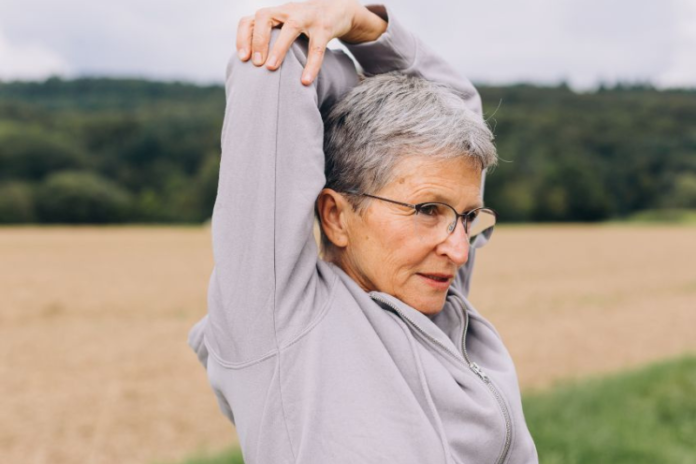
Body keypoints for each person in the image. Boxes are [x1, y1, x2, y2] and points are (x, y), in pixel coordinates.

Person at [188, 1, 539, 462]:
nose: (458, 250)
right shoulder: (279, 319)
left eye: (469, 218)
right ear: (335, 216)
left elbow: (455, 103)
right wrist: (362, 89)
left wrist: (365, 25)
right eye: (428, 210)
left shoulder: (437, 301)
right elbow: (275, 62)